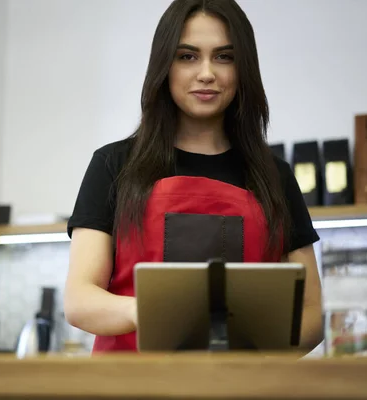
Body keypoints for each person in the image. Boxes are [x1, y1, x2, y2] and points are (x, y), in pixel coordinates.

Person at [64, 0, 323, 354]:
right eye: (187, 56)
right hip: (126, 386)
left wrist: (251, 360)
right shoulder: (113, 164)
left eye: (224, 57)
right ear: (164, 66)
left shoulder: (274, 176)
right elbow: (79, 299)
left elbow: (311, 313)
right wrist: (150, 313)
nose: (206, 73)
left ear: (243, 68)